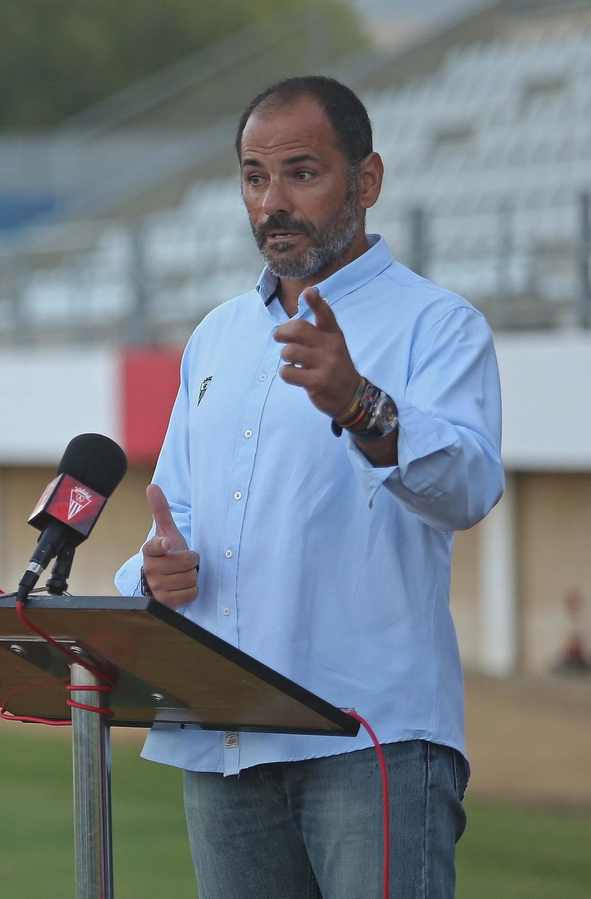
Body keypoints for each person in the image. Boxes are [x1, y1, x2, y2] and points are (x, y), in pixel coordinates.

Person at [114, 76, 501, 899]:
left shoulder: (438, 323)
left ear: (366, 181)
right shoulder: (216, 335)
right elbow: (174, 513)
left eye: (302, 172)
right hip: (222, 734)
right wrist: (152, 572)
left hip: (370, 738)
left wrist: (361, 405)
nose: (273, 202)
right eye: (255, 177)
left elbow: (469, 487)